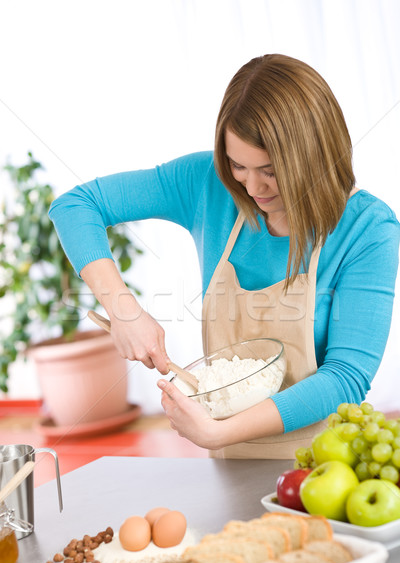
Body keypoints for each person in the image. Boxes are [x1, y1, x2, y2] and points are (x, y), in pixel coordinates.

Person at [49, 54, 400, 459]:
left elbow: (346, 377)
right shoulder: (208, 183)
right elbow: (77, 206)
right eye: (238, 165)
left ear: (313, 156)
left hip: (322, 467)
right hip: (228, 464)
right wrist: (123, 308)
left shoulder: (368, 228)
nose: (252, 187)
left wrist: (221, 431)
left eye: (270, 169)